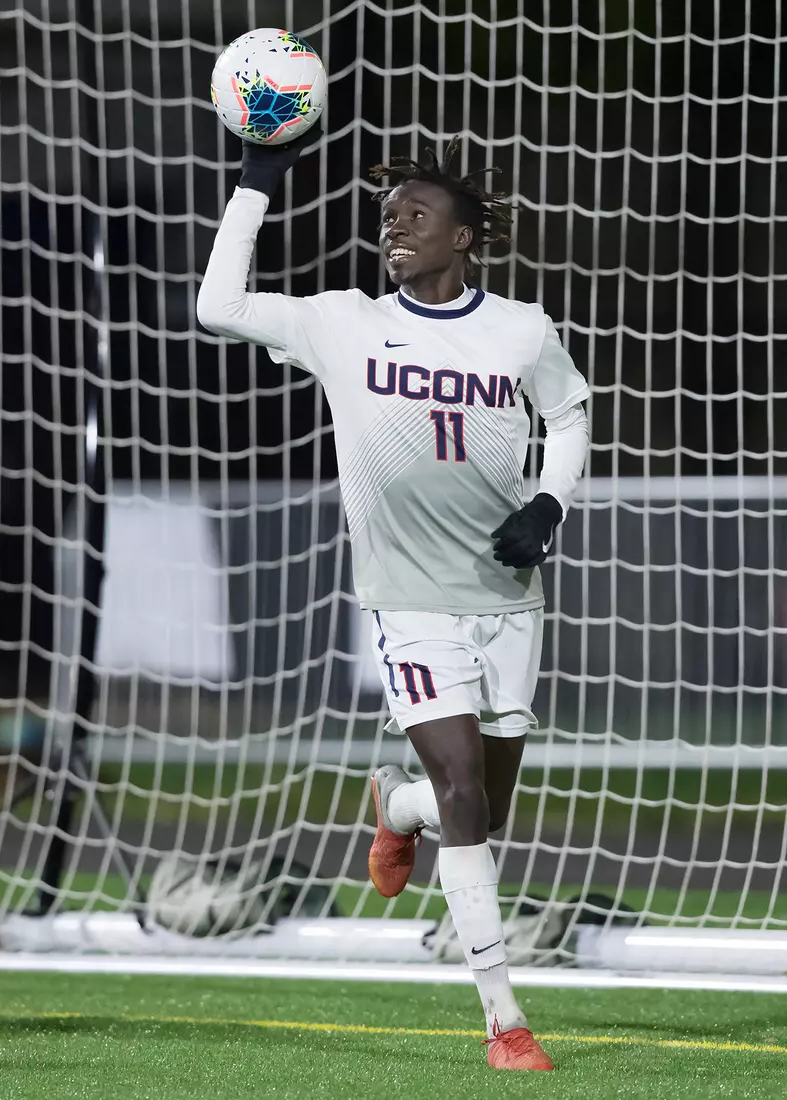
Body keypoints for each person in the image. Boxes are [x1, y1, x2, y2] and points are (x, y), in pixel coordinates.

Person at [197, 129, 589, 1073]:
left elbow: (571, 412)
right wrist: (256, 183)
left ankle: (395, 808)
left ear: (463, 239)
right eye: (388, 214)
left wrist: (548, 503)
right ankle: (506, 1023)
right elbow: (217, 307)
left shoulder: (521, 330)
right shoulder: (343, 322)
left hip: (505, 596)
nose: (396, 225)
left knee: (478, 809)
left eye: (418, 214)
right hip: (405, 600)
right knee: (465, 792)